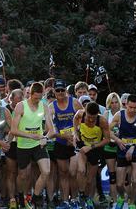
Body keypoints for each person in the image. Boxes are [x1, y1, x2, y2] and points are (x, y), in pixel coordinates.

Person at [10, 82, 55, 209]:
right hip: (23, 145)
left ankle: (36, 196)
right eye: (35, 98)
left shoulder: (44, 106)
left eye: (40, 98)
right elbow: (13, 130)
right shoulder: (21, 106)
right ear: (30, 94)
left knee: (46, 171)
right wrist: (31, 136)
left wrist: (45, 138)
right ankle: (20, 196)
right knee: (23, 175)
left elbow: (52, 130)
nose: (37, 100)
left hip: (38, 144)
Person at [109, 94, 136, 209]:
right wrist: (117, 140)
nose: (132, 110)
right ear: (126, 104)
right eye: (130, 107)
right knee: (119, 184)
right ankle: (122, 197)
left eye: (135, 108)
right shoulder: (119, 115)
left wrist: (134, 147)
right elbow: (108, 130)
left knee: (135, 180)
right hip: (122, 149)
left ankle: (132, 203)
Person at [50, 80, 83, 208]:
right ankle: (65, 201)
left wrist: (76, 133)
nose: (60, 93)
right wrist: (62, 136)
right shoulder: (51, 107)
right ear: (54, 92)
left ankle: (74, 199)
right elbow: (51, 128)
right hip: (60, 142)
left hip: (75, 143)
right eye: (57, 90)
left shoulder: (74, 102)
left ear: (66, 91)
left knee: (73, 173)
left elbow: (84, 119)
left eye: (62, 90)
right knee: (63, 173)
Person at [73, 102, 110, 209]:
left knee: (90, 179)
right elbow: (75, 121)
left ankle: (88, 198)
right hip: (83, 146)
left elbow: (107, 139)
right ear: (85, 112)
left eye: (93, 118)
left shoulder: (102, 121)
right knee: (81, 170)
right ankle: (81, 195)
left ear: (97, 114)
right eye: (89, 117)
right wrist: (75, 133)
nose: (90, 120)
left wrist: (92, 146)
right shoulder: (80, 114)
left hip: (95, 148)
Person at [103, 92, 122, 203]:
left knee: (122, 176)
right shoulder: (106, 114)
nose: (114, 105)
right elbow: (105, 131)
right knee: (112, 175)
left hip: (120, 146)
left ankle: (123, 199)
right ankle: (114, 201)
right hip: (109, 146)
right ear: (109, 104)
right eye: (112, 102)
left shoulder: (123, 113)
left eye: (116, 102)